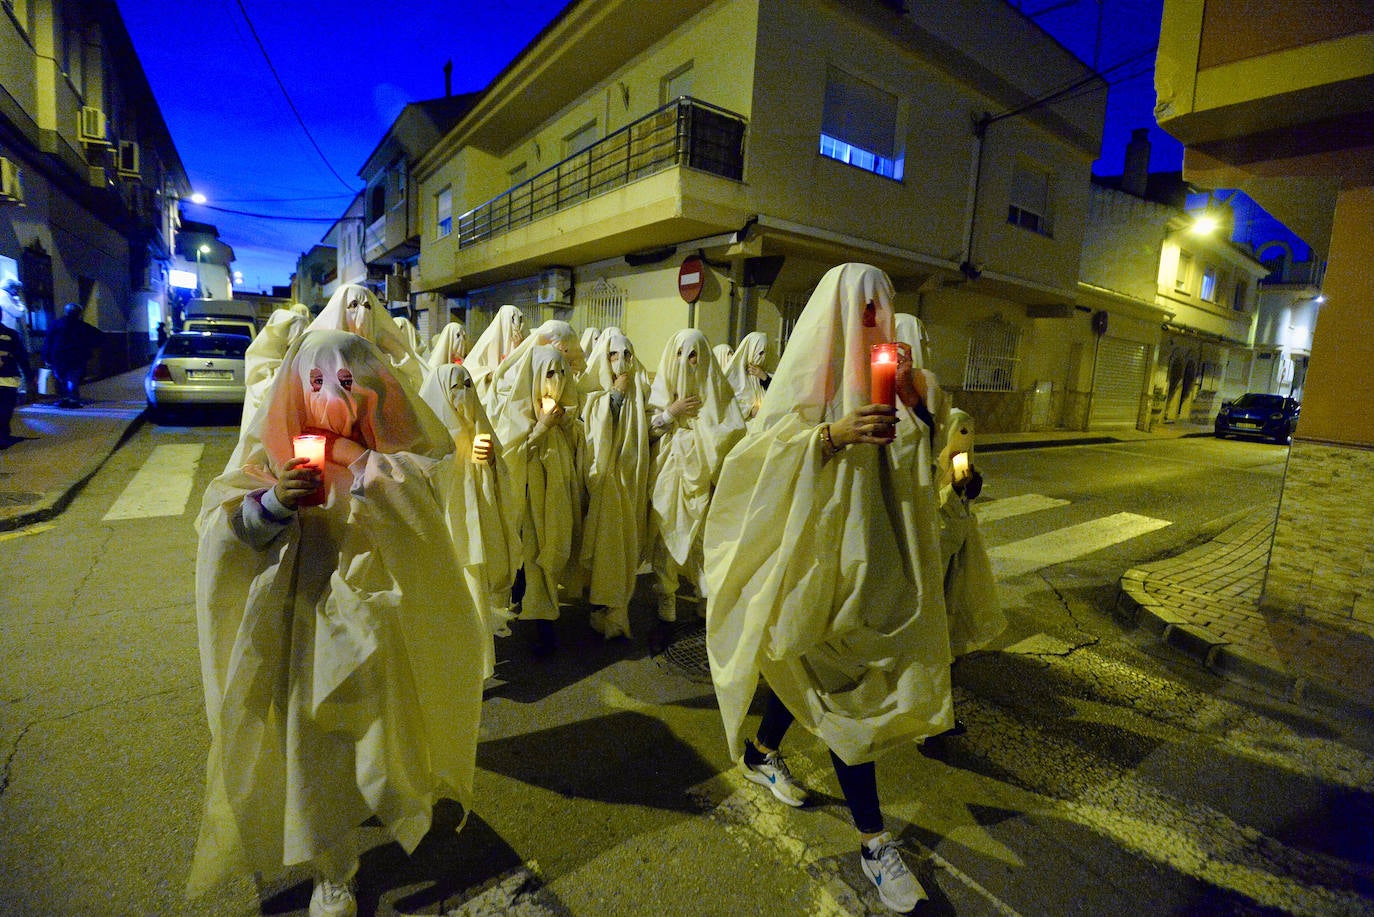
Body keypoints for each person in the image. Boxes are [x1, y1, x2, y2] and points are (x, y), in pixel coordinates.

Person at [190, 329, 488, 916]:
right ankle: (335, 864)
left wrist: (365, 468)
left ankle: (385, 803)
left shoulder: (400, 462)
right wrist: (277, 501)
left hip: (377, 619)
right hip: (304, 621)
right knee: (316, 745)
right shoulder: (272, 457)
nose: (332, 399)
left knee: (378, 733)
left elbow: (423, 516)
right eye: (317, 384)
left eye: (347, 383)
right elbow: (228, 533)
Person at [704, 263, 949, 913]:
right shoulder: (809, 379)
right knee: (848, 709)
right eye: (866, 308)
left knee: (815, 681)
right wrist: (831, 435)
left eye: (883, 308)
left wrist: (920, 406)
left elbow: (929, 468)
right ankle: (874, 843)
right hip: (816, 572)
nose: (877, 319)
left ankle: (762, 749)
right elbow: (755, 461)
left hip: (876, 574)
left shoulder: (894, 381)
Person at [418, 361, 521, 674]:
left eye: (467, 385)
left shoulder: (479, 428)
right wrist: (454, 459)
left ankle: (480, 664)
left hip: (475, 522)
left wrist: (489, 462)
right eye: (454, 387)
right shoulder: (428, 430)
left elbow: (500, 469)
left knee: (475, 587)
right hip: (446, 524)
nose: (462, 394)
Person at [490, 343, 585, 655]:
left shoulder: (566, 416)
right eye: (548, 374)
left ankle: (544, 617)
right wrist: (543, 426)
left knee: (551, 549)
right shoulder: (515, 411)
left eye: (560, 373)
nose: (554, 380)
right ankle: (529, 620)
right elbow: (512, 453)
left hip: (553, 498)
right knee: (527, 558)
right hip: (526, 501)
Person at [647, 328, 746, 622]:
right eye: (680, 355)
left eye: (693, 356)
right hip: (670, 471)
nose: (686, 362)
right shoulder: (663, 389)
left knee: (702, 539)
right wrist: (671, 412)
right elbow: (648, 430)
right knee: (667, 530)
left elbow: (730, 431)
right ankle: (666, 594)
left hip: (703, 476)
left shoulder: (715, 391)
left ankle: (704, 594)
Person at [576, 329, 652, 639]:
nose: (621, 362)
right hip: (606, 481)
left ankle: (616, 610)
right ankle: (603, 607)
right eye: (613, 355)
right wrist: (615, 398)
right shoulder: (593, 393)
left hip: (629, 479)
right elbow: (593, 435)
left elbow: (648, 427)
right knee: (607, 547)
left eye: (627, 355)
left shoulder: (639, 389)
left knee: (625, 547)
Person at [307, 284, 425, 391]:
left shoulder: (379, 357)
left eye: (367, 306)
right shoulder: (319, 354)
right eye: (354, 305)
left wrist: (397, 352)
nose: (363, 313)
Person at [44, 302, 101, 408]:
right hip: (76, 356)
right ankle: (73, 399)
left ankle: (64, 398)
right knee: (73, 378)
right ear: (79, 313)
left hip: (59, 356)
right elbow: (99, 336)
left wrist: (47, 357)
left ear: (66, 312)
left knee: (61, 378)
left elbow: (48, 341)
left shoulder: (56, 324)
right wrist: (88, 349)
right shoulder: (83, 326)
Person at [465, 304, 526, 399]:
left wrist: (519, 349)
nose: (517, 325)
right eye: (513, 320)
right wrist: (489, 375)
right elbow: (471, 373)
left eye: (520, 320)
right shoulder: (487, 342)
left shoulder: (524, 342)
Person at [722, 330, 771, 422]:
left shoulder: (767, 372)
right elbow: (727, 405)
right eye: (760, 353)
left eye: (765, 353)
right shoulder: (733, 376)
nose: (763, 357)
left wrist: (764, 377)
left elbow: (778, 394)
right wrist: (750, 411)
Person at [1, 315, 32, 446]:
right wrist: (29, 375)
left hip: (8, 377)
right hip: (8, 377)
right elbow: (21, 356)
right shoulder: (11, 333)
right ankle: (3, 436)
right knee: (6, 408)